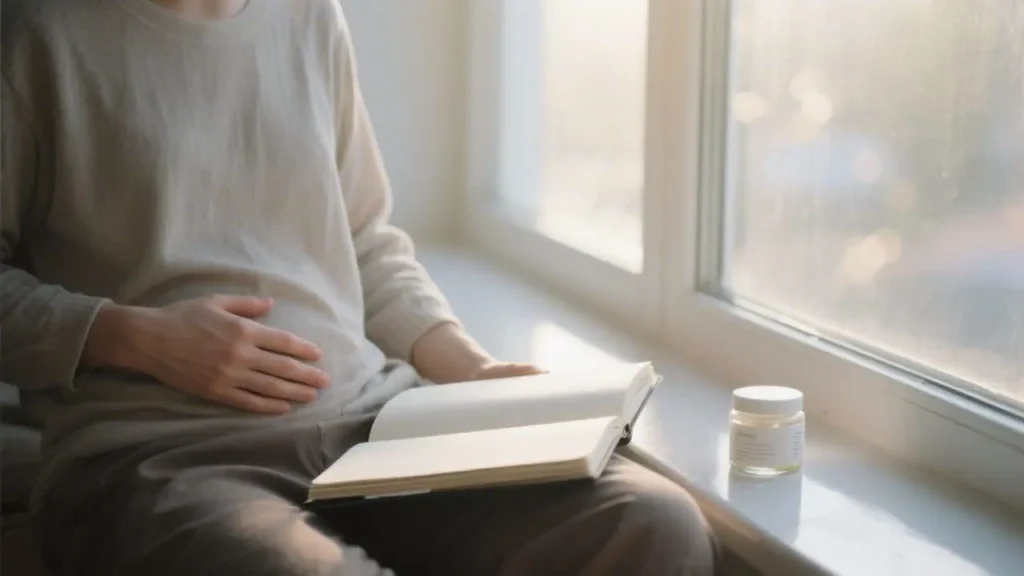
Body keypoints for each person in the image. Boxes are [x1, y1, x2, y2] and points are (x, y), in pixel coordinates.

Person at [0, 0, 718, 574]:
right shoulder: (37, 34)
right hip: (156, 458)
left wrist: (473, 370)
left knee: (651, 524)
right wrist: (139, 337)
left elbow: (367, 241)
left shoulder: (312, 17)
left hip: (373, 427)